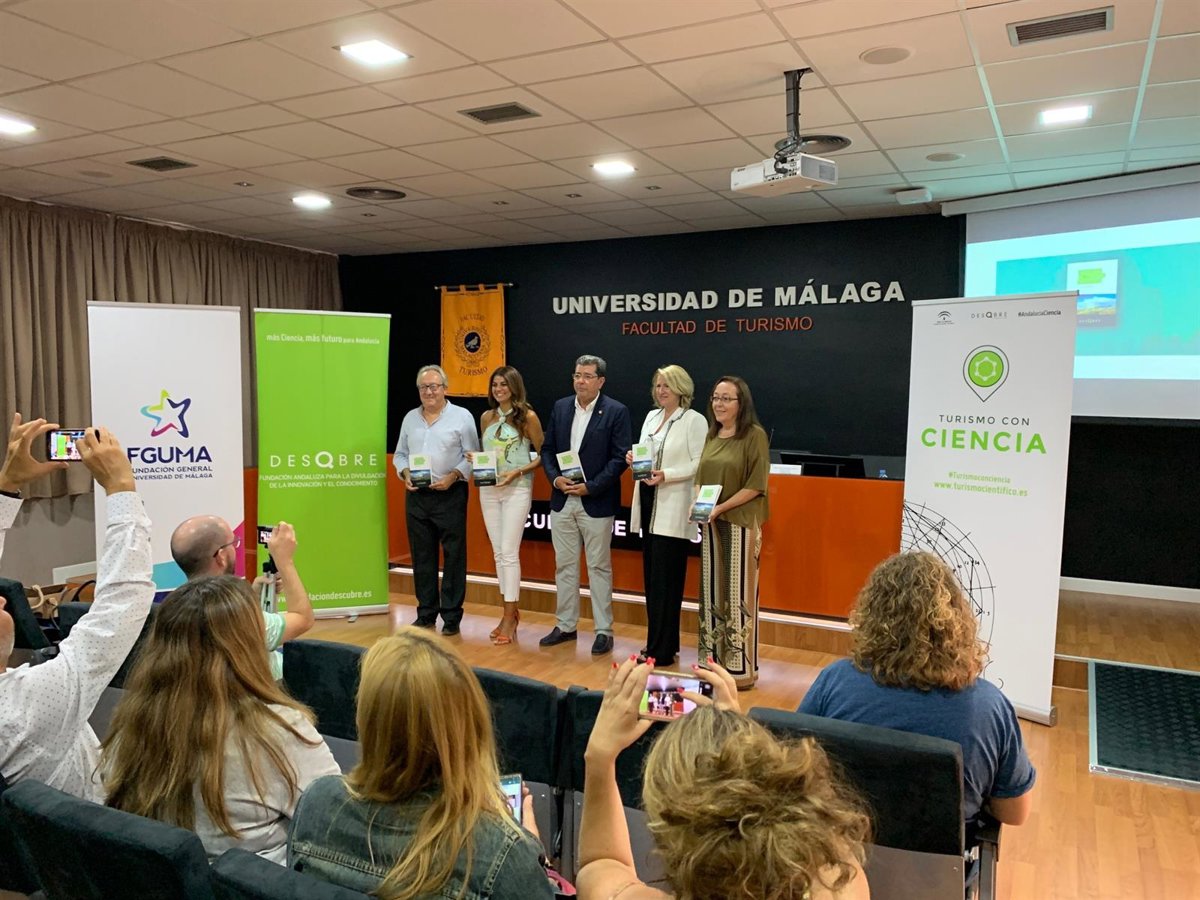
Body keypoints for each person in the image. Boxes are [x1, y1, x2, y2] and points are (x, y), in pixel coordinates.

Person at [288, 627, 555, 900]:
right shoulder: (504, 855)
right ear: (470, 725)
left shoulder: (316, 806)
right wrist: (537, 862)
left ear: (367, 722)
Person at [577, 658, 871, 900]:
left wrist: (599, 757)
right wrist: (741, 740)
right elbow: (831, 846)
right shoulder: (843, 887)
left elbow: (601, 865)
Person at [101, 575, 340, 862]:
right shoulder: (280, 732)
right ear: (248, 647)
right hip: (258, 882)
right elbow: (338, 823)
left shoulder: (130, 726)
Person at [799, 551, 1036, 830]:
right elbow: (1015, 813)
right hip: (940, 858)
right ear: (957, 621)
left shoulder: (835, 680)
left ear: (872, 615)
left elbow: (795, 764)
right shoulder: (990, 706)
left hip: (842, 849)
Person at [1, 416, 151, 803]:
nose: (2, 599)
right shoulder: (32, 704)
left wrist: (6, 486)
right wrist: (121, 488)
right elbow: (122, 601)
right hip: (102, 825)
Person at [539, 355, 631, 655]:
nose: (580, 381)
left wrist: (591, 486)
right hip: (563, 499)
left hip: (596, 501)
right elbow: (547, 449)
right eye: (577, 375)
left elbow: (619, 458)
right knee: (564, 566)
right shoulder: (561, 407)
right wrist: (555, 480)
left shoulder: (616, 411)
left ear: (600, 381)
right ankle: (565, 625)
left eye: (587, 376)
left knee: (598, 567)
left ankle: (603, 630)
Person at [628, 365, 707, 665]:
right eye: (658, 385)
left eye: (667, 386)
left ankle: (660, 650)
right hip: (648, 501)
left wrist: (668, 474)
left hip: (673, 507)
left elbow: (699, 463)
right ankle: (660, 644)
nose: (661, 391)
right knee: (652, 581)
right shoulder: (651, 417)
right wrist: (634, 458)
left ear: (681, 389)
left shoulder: (693, 420)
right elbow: (644, 453)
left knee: (666, 583)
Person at [694, 376, 770, 690]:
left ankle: (740, 670)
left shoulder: (754, 436)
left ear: (741, 403)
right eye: (716, 397)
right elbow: (700, 478)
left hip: (740, 522)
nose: (719, 404)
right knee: (711, 590)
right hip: (711, 522)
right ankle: (711, 663)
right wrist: (699, 505)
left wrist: (721, 507)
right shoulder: (712, 435)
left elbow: (756, 485)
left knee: (738, 594)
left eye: (727, 398)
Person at [170, 516, 313, 680]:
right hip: (267, 687)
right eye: (233, 543)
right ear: (221, 556)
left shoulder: (173, 608)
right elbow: (303, 618)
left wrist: (249, 598)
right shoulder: (235, 618)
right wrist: (284, 561)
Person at [394, 364, 480, 635]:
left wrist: (454, 476)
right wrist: (405, 473)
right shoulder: (410, 418)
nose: (428, 392)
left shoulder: (462, 417)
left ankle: (452, 617)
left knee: (454, 557)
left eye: (433, 386)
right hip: (417, 496)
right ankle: (426, 614)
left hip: (450, 494)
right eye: (423, 387)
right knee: (422, 556)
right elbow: (400, 454)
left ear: (445, 388)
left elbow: (473, 455)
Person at [474, 365, 544, 645]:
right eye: (495, 385)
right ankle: (510, 613)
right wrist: (476, 460)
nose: (498, 389)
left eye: (503, 384)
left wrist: (518, 472)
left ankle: (508, 616)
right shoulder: (486, 417)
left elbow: (543, 455)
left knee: (509, 552)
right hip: (489, 490)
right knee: (498, 553)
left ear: (514, 387)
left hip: (517, 489)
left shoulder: (528, 417)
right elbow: (488, 454)